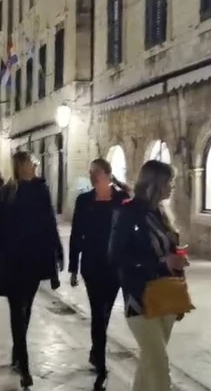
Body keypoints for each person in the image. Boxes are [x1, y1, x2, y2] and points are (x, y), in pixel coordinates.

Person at [110, 160, 188, 391]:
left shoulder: (161, 214)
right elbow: (116, 256)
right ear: (155, 183)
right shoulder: (128, 212)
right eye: (169, 181)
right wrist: (162, 260)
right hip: (140, 297)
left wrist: (179, 272)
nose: (172, 186)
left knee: (149, 363)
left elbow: (171, 254)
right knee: (160, 364)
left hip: (167, 294)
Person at [0, 151, 63, 388]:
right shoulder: (6, 193)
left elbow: (49, 224)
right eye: (32, 163)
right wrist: (2, 248)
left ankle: (18, 352)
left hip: (30, 259)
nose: (35, 166)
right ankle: (24, 362)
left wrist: (57, 252)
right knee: (17, 309)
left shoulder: (40, 190)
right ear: (22, 166)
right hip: (15, 259)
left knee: (25, 308)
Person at [69, 158, 131, 390]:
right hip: (92, 265)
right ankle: (102, 367)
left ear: (107, 174)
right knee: (98, 312)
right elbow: (76, 234)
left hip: (115, 264)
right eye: (91, 172)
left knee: (104, 313)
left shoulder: (121, 199)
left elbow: (133, 220)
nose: (93, 176)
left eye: (97, 172)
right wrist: (74, 267)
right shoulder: (84, 200)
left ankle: (96, 351)